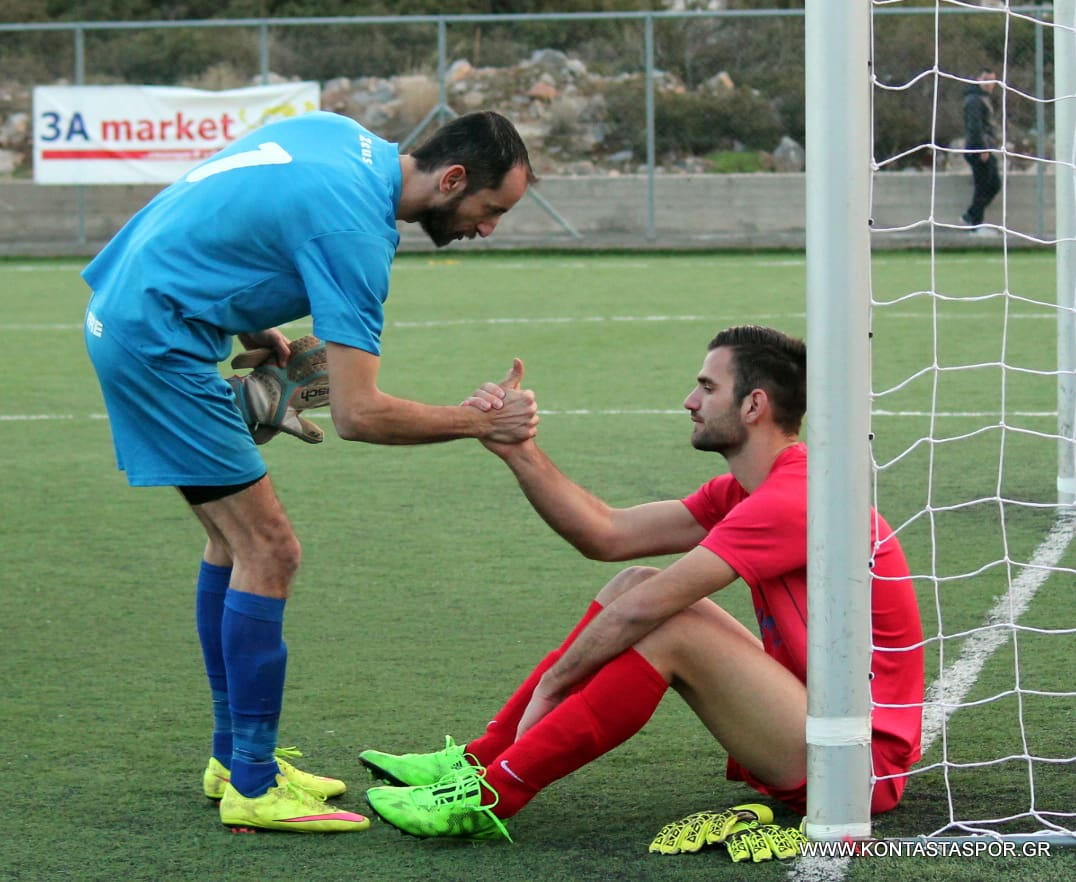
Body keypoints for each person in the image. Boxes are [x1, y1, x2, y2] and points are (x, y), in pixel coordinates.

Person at [82, 109, 540, 833]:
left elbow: (224, 202)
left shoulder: (339, 136)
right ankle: (254, 785)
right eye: (492, 209)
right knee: (272, 552)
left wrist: (250, 322)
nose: (488, 228)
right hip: (158, 346)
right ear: (453, 179)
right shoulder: (357, 234)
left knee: (233, 545)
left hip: (129, 312)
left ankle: (234, 760)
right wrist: (482, 422)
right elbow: (361, 415)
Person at [360, 325, 925, 842]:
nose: (690, 401)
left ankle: (491, 795)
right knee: (634, 580)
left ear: (754, 405)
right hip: (817, 724)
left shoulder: (794, 497)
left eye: (707, 387)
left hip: (854, 766)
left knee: (667, 623)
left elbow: (647, 612)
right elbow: (606, 534)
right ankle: (480, 759)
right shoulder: (751, 490)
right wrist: (518, 451)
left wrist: (553, 686)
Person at [960, 69, 1001, 229]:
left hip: (984, 147)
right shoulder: (974, 100)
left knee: (990, 184)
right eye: (986, 79)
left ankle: (972, 217)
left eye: (992, 81)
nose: (989, 84)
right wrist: (982, 148)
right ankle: (973, 220)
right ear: (978, 79)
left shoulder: (983, 98)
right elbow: (975, 127)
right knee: (986, 184)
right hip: (977, 148)